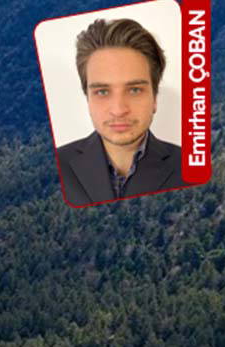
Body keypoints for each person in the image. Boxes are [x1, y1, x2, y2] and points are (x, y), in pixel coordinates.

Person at [56, 17, 185, 206]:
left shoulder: (191, 167)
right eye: (102, 92)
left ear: (155, 98)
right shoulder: (56, 165)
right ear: (87, 99)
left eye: (134, 90)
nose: (118, 110)